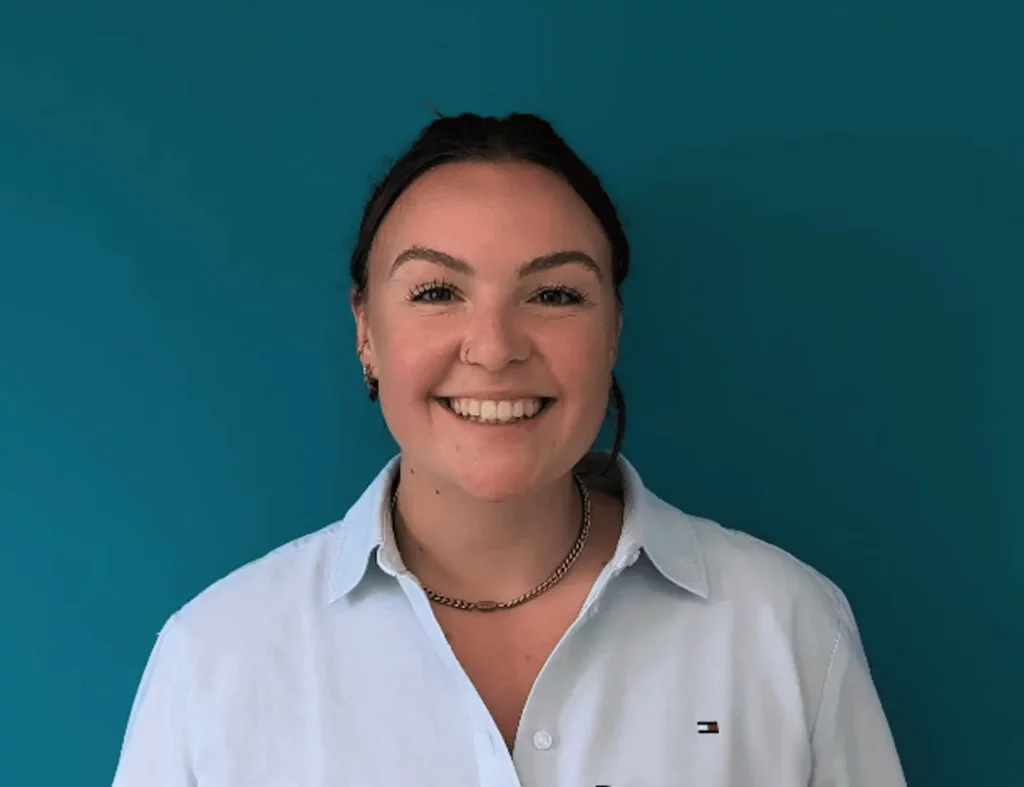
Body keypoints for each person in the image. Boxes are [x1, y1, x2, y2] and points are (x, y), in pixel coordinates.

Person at [111, 112, 906, 786]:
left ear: (612, 332)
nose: (493, 348)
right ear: (365, 332)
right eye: (436, 292)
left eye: (554, 294)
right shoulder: (215, 659)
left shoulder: (786, 626)